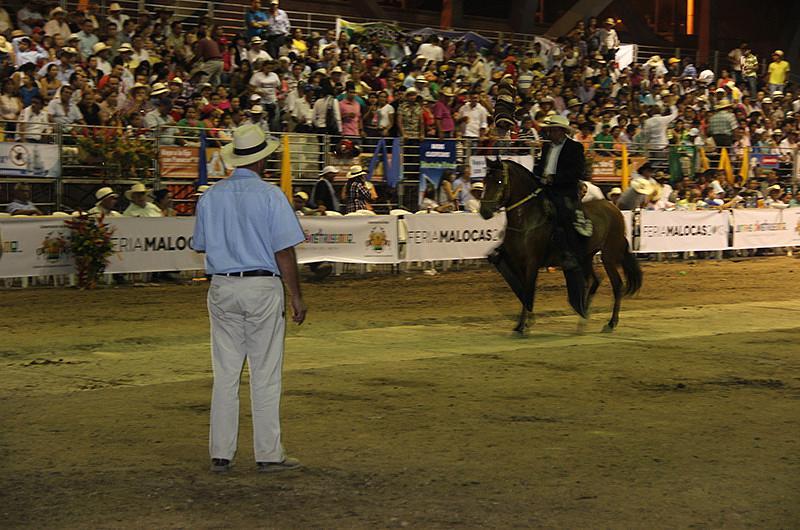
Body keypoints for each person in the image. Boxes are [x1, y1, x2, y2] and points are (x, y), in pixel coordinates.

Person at [192, 123, 306, 473]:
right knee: (265, 373)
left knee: (225, 373)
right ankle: (268, 453)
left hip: (223, 285)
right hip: (262, 286)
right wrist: (296, 296)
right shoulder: (271, 196)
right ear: (261, 161)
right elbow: (284, 251)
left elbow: (201, 245)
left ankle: (221, 453)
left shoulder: (210, 196)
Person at [533, 114, 590, 316]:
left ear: (563, 131)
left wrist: (553, 179)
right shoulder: (547, 147)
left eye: (554, 129)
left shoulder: (575, 148)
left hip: (564, 191)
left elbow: (576, 173)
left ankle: (568, 252)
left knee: (563, 213)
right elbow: (539, 168)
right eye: (550, 130)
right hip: (546, 188)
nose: (551, 132)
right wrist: (538, 176)